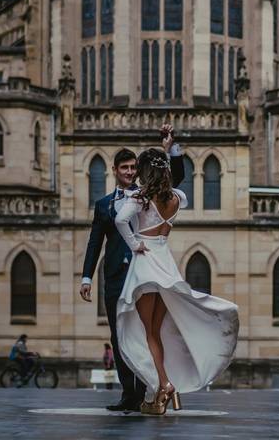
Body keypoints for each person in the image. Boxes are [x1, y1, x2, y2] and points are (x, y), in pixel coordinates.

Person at [114, 148, 239, 415]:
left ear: (145, 173)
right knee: (156, 331)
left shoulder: (140, 199)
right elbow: (176, 189)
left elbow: (120, 220)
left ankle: (165, 384)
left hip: (146, 266)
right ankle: (161, 392)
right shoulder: (177, 198)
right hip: (166, 263)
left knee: (149, 332)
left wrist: (135, 244)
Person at [79, 126, 185, 413]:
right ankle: (131, 394)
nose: (129, 171)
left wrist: (171, 149)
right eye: (124, 167)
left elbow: (178, 177)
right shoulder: (104, 205)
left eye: (133, 167)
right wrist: (87, 276)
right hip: (117, 277)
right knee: (121, 334)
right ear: (114, 170)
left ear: (139, 171)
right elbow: (94, 243)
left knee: (147, 332)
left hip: (144, 273)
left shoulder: (147, 196)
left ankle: (149, 390)